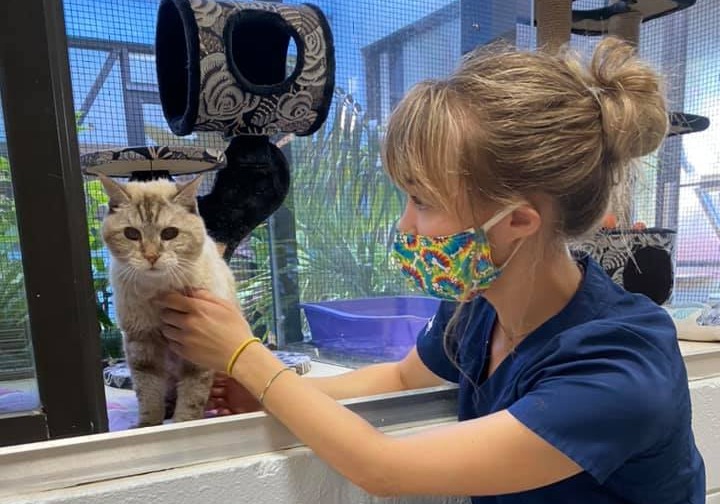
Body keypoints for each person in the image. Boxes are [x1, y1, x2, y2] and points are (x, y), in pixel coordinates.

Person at [156, 37, 705, 503]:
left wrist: (246, 358)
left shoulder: (619, 366)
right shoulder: (478, 307)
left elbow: (382, 468)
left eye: (422, 201)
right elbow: (398, 377)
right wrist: (275, 394)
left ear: (517, 220)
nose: (406, 226)